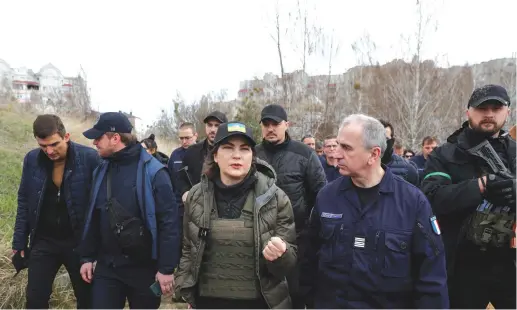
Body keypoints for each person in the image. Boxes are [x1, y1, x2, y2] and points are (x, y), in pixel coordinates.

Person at [300, 114, 449, 309]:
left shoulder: (412, 203)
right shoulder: (327, 197)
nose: (336, 154)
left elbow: (431, 277)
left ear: (374, 154)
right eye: (337, 145)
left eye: (346, 148)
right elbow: (309, 261)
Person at [174, 121, 297, 309]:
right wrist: (189, 292)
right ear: (215, 155)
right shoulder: (196, 197)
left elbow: (288, 264)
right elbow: (188, 250)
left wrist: (281, 254)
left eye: (245, 149)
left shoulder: (276, 199)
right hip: (208, 303)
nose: (237, 155)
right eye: (228, 148)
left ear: (253, 157)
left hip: (258, 304)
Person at [421, 84, 516, 309]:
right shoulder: (445, 153)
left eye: (496, 108)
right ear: (468, 112)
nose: (489, 114)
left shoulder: (515, 151)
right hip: (462, 264)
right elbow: (431, 198)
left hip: (508, 261)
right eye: (482, 108)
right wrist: (480, 187)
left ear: (508, 112)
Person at [79, 112, 179, 309]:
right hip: (108, 268)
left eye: (98, 138)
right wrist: (87, 257)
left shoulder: (155, 172)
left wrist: (166, 268)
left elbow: (169, 223)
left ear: (115, 138)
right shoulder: (101, 169)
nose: (94, 143)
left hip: (144, 270)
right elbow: (94, 214)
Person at [12, 114, 100, 309]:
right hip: (44, 241)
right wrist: (19, 241)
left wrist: (96, 249)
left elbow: (99, 205)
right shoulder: (32, 159)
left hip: (79, 242)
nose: (49, 151)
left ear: (66, 136)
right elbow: (24, 200)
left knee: (88, 300)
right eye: (43, 146)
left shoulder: (89, 158)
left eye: (54, 144)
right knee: (35, 299)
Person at [255, 104, 327, 309]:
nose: (270, 128)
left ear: (286, 125)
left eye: (275, 124)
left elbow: (320, 194)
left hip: (297, 239)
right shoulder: (252, 154)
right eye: (266, 124)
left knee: (295, 293)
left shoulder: (304, 154)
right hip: (258, 237)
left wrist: (311, 229)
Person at [176, 111, 227, 203]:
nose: (212, 129)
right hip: (197, 205)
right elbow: (181, 176)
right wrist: (185, 192)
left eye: (217, 126)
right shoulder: (192, 151)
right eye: (209, 125)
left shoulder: (232, 152)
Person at [168, 122, 198, 259]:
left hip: (199, 207)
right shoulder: (175, 156)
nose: (184, 141)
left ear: (195, 135)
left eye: (188, 138)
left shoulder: (203, 153)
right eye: (181, 138)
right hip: (178, 207)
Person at [379, 119, 419, 185]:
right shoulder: (359, 165)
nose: (381, 142)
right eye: (378, 138)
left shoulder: (408, 170)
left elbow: (415, 194)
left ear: (392, 141)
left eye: (385, 139)